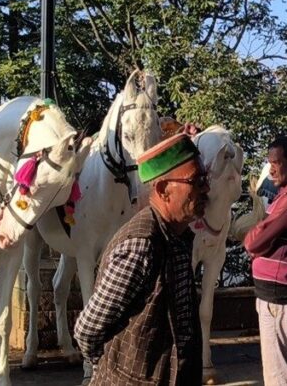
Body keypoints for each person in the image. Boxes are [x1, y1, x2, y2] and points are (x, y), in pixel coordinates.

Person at [73, 133, 209, 385]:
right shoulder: (142, 244)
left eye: (205, 179)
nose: (206, 188)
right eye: (196, 181)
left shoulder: (178, 237)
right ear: (163, 190)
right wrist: (112, 369)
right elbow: (87, 330)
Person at [243, 136, 287, 386]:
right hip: (275, 295)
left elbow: (253, 240)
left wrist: (255, 239)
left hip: (278, 297)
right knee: (277, 372)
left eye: (276, 162)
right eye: (269, 162)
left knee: (279, 378)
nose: (271, 169)